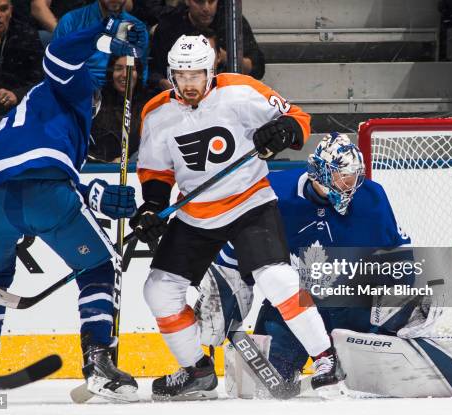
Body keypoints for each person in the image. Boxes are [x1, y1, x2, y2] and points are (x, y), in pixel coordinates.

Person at [197, 135, 452, 398]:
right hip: (292, 308)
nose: (349, 185)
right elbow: (234, 253)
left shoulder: (372, 198)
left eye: (353, 176)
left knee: (383, 376)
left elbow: (399, 257)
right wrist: (226, 296)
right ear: (319, 172)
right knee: (264, 390)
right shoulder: (274, 194)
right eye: (340, 176)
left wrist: (413, 298)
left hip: (353, 304)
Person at [130, 34, 339, 401]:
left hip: (249, 203)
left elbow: (299, 119)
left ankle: (326, 358)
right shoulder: (156, 113)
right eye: (182, 75)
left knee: (277, 278)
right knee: (158, 290)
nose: (189, 83)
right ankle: (197, 370)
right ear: (171, 74)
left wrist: (284, 130)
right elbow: (157, 172)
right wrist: (151, 206)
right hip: (195, 213)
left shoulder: (241, 91)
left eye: (196, 74)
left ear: (211, 71)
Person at [0, 18, 144, 402]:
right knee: (98, 266)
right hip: (44, 195)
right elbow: (59, 53)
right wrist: (106, 31)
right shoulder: (70, 88)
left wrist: (90, 192)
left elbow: (32, 170)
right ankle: (98, 360)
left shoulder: (23, 119)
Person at [149, 0, 264, 92]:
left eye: (211, 1)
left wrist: (222, 56)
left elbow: (258, 68)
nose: (206, 8)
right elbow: (153, 68)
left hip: (225, 93)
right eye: (199, 2)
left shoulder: (231, 20)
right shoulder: (170, 24)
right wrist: (162, 82)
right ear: (187, 1)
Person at [53, 0, 149, 88]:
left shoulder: (137, 28)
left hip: (120, 98)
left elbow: (141, 75)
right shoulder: (70, 22)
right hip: (80, 94)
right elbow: (56, 69)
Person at [89, 54, 153, 162]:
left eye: (131, 69)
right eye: (118, 69)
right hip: (104, 171)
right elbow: (86, 148)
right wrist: (108, 162)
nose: (124, 75)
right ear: (111, 73)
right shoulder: (97, 102)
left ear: (139, 74)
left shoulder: (151, 105)